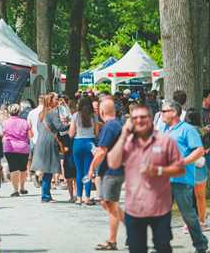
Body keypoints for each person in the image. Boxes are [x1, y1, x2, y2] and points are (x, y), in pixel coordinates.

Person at [107, 104, 184, 253]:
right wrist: (123, 135)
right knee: (137, 249)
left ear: (151, 118)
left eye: (143, 117)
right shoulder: (127, 142)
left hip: (160, 208)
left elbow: (180, 169)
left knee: (163, 248)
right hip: (134, 209)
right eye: (135, 118)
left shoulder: (165, 141)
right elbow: (112, 162)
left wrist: (159, 170)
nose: (139, 121)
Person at [160, 100, 208, 252]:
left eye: (164, 111)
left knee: (188, 216)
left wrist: (182, 162)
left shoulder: (187, 130)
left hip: (182, 180)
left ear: (174, 112)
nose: (161, 113)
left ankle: (201, 244)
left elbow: (199, 150)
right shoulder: (167, 130)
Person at [87, 97, 124, 251]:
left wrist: (91, 168)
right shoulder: (116, 125)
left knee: (110, 204)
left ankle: (112, 241)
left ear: (102, 112)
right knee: (106, 202)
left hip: (113, 170)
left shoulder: (110, 126)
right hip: (111, 170)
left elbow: (102, 151)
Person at [31, 93, 67, 202]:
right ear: (50, 101)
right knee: (49, 169)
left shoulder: (41, 113)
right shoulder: (53, 113)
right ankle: (45, 196)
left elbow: (38, 128)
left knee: (47, 169)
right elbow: (60, 127)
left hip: (41, 141)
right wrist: (70, 123)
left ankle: (46, 194)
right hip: (49, 142)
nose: (58, 101)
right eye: (56, 99)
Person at [68, 97, 98, 205]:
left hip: (78, 143)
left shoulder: (75, 116)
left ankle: (79, 197)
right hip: (89, 143)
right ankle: (87, 197)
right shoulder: (94, 116)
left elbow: (71, 134)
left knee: (79, 171)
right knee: (88, 171)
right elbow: (97, 133)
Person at [185, 108, 208, 229]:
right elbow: (205, 149)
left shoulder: (184, 131)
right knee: (201, 196)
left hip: (187, 166)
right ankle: (202, 221)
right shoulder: (203, 131)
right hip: (200, 165)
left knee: (187, 197)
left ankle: (187, 224)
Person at [2, 103, 32, 196]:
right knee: (23, 169)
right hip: (23, 148)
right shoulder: (24, 122)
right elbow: (30, 135)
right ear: (19, 112)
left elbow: (2, 135)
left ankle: (15, 190)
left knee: (13, 169)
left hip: (10, 148)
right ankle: (22, 188)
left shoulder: (5, 122)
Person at [27, 96, 44, 181]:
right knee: (43, 157)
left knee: (33, 157)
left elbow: (28, 126)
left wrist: (31, 137)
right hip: (44, 138)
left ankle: (31, 174)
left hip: (34, 138)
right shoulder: (47, 112)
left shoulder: (31, 112)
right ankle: (39, 174)